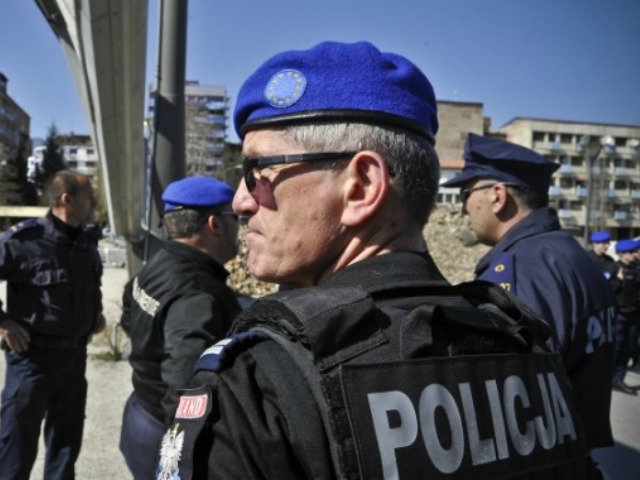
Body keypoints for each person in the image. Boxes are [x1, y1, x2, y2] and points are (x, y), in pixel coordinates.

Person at [158, 41, 601, 480]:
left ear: (361, 188)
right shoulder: (526, 350)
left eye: (257, 173)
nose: (241, 201)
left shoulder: (256, 385)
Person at [442, 134, 617, 452]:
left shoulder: (519, 267)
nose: (464, 207)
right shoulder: (572, 253)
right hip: (575, 448)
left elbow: (505, 388)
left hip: (541, 456)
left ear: (498, 196)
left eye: (467, 192)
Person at [119, 176, 242, 479]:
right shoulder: (198, 292)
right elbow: (185, 385)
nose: (239, 227)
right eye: (235, 217)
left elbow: (129, 304)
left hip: (140, 412)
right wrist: (181, 458)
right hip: (165, 431)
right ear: (215, 224)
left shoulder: (160, 260)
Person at [0, 170, 104, 479]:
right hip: (32, 361)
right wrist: (3, 322)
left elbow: (90, 286)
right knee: (16, 449)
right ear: (67, 200)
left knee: (65, 448)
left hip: (74, 360)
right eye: (89, 196)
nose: (94, 202)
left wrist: (94, 315)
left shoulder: (86, 241)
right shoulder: (24, 241)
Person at [607, 239, 640, 394]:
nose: (634, 254)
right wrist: (618, 280)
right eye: (630, 252)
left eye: (634, 251)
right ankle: (608, 377)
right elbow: (606, 288)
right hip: (619, 314)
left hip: (633, 314)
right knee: (617, 346)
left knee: (628, 347)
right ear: (621, 254)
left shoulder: (636, 268)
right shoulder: (613, 268)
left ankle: (618, 378)